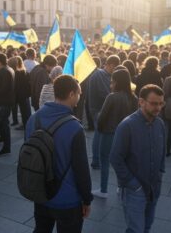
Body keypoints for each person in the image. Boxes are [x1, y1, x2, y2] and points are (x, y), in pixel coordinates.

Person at [26, 75, 93, 233]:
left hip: (40, 193)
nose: (79, 97)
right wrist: (87, 199)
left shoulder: (34, 118)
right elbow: (81, 169)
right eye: (78, 93)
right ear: (71, 94)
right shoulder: (74, 127)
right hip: (67, 199)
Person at [110, 84, 166, 233]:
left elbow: (162, 152)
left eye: (161, 103)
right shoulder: (127, 125)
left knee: (147, 226)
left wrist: (160, 173)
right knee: (136, 229)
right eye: (154, 103)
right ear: (141, 102)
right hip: (134, 190)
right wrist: (133, 184)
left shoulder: (160, 124)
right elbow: (115, 158)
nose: (158, 108)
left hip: (154, 187)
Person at [92, 68, 138, 198]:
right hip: (126, 135)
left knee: (105, 160)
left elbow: (102, 118)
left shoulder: (112, 97)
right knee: (122, 162)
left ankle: (103, 189)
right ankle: (121, 186)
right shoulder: (134, 98)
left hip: (109, 133)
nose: (110, 84)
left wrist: (99, 126)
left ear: (117, 82)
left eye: (112, 82)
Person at [87, 55, 120, 169]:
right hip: (98, 109)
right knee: (99, 134)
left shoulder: (104, 75)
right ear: (110, 65)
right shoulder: (100, 75)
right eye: (115, 68)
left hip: (100, 109)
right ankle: (96, 161)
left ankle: (100, 159)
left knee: (101, 134)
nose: (115, 71)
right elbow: (105, 93)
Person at [8, 56, 31, 129]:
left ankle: (23, 125)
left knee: (23, 111)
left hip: (18, 95)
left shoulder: (14, 73)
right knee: (25, 112)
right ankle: (26, 124)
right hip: (24, 95)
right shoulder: (25, 72)